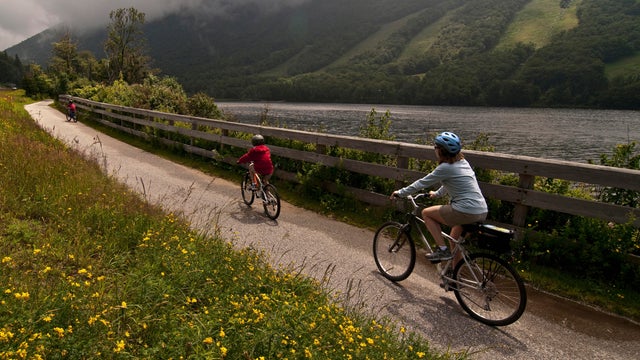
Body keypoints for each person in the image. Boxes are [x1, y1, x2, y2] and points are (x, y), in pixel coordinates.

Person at [390, 131, 488, 262]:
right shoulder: (463, 162)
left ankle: (442, 250)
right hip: (481, 211)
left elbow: (421, 183)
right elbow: (451, 183)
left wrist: (400, 192)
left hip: (465, 210)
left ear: (441, 151)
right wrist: (437, 194)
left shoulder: (445, 168)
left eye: (435, 147)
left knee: (426, 213)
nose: (434, 149)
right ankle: (455, 279)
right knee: (454, 239)